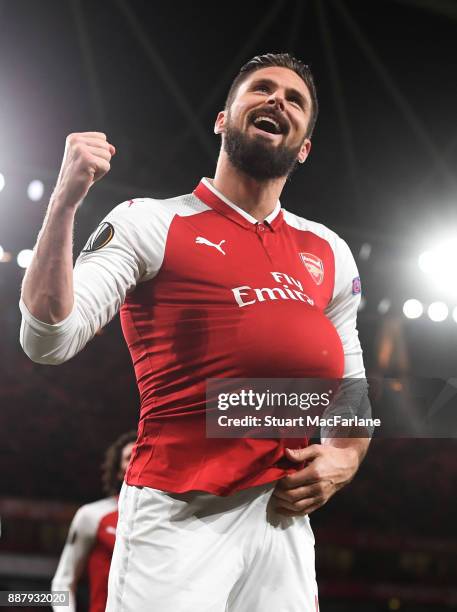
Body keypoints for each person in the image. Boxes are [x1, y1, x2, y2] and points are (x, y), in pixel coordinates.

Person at [20, 53, 370, 611]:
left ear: (303, 148)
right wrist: (65, 202)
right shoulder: (151, 222)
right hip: (180, 516)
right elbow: (46, 339)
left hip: (282, 523)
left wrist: (345, 459)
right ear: (222, 119)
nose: (278, 99)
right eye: (261, 89)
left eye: (295, 99)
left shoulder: (328, 250)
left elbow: (351, 380)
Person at [51, 432, 136, 612]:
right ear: (118, 470)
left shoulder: (166, 518)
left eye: (141, 455)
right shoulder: (92, 515)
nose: (136, 461)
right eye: (130, 457)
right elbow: (63, 581)